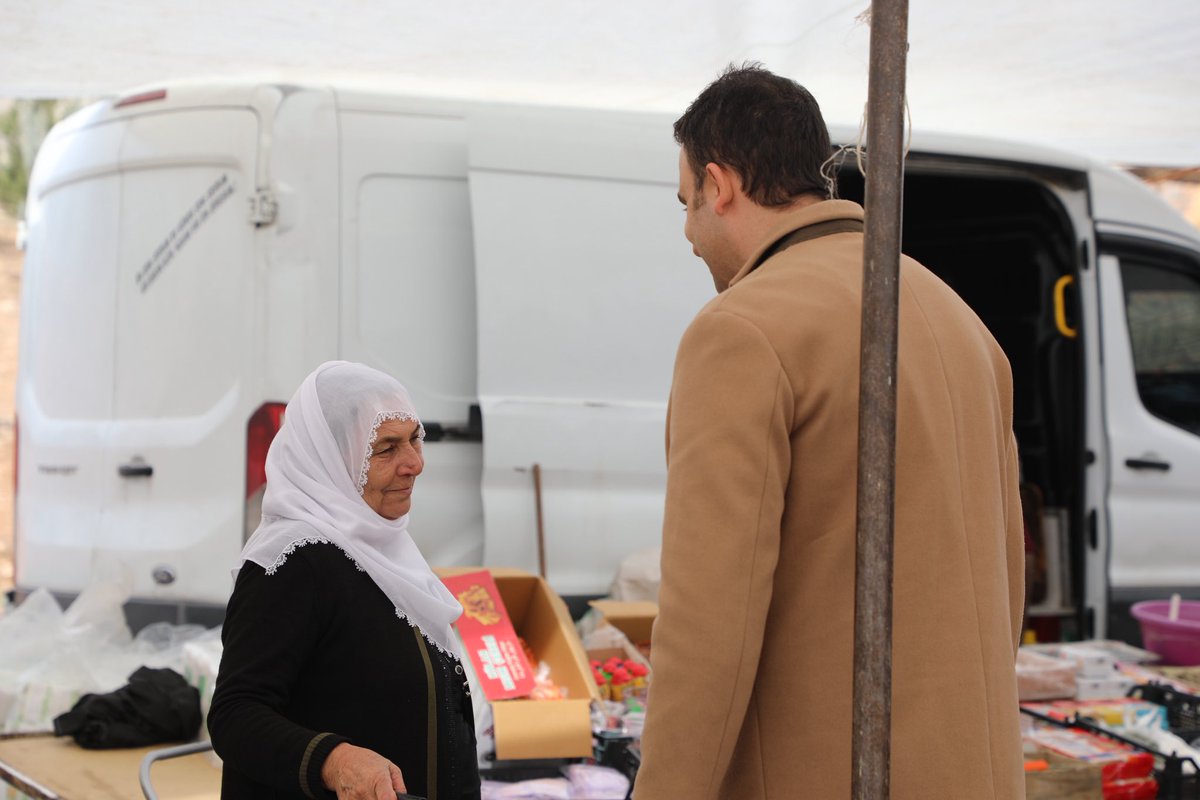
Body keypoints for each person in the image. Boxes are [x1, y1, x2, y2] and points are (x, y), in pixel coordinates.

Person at [634, 64, 1025, 799]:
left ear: (720, 185)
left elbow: (708, 625)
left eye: (687, 205)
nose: (689, 234)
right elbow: (1005, 584)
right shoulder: (961, 321)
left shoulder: (741, 330)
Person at [209, 361, 480, 800]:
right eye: (386, 448)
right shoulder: (293, 563)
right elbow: (235, 715)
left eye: (415, 439)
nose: (414, 463)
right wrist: (333, 761)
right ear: (333, 459)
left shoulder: (384, 548)